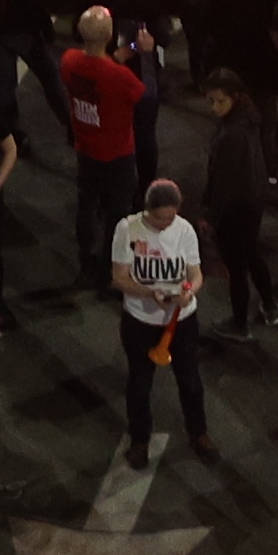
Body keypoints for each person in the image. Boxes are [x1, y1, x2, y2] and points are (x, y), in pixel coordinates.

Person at [110, 175, 213, 460]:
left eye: (170, 218)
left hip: (181, 321)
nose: (165, 225)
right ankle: (139, 440)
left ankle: (199, 433)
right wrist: (148, 293)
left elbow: (195, 272)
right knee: (140, 384)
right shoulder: (128, 229)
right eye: (159, 220)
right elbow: (119, 279)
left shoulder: (184, 230)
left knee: (191, 382)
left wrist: (190, 291)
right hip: (140, 321)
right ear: (147, 211)